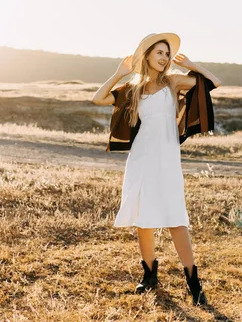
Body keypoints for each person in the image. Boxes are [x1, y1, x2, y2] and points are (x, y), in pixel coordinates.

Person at [91, 32, 221, 306]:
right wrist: (118, 73)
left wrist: (194, 66)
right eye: (159, 53)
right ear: (147, 55)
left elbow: (213, 83)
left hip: (167, 155)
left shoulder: (173, 82)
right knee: (143, 217)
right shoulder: (134, 89)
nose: (164, 58)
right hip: (141, 156)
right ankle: (149, 275)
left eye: (167, 54)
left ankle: (193, 282)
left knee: (176, 217)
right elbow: (99, 98)